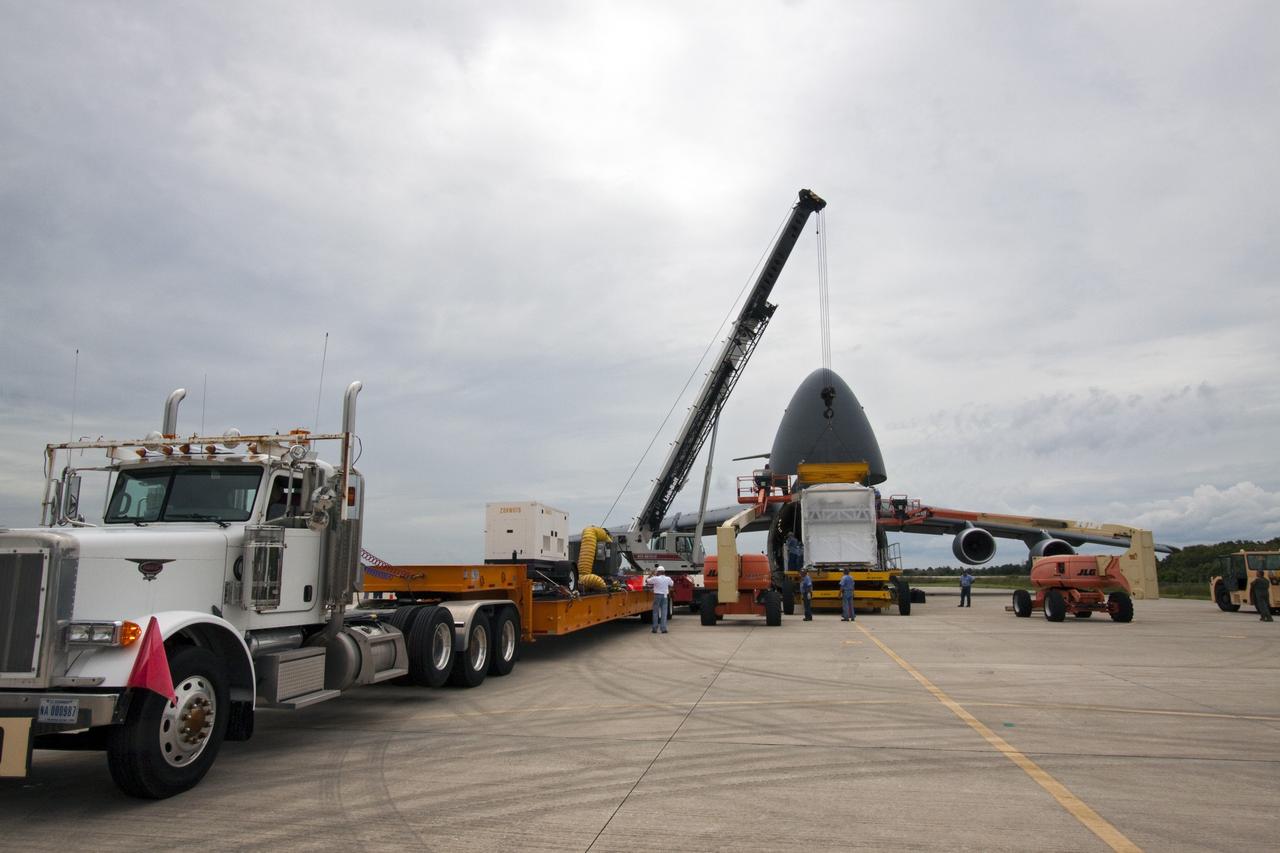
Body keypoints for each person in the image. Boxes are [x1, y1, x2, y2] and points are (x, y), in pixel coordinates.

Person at [646, 565, 674, 633]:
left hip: (657, 596)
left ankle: (654, 628)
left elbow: (647, 581)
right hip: (665, 596)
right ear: (664, 572)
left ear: (658, 572)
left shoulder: (655, 578)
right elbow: (672, 584)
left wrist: (651, 574)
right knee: (664, 613)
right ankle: (663, 629)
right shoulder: (668, 578)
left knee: (655, 612)